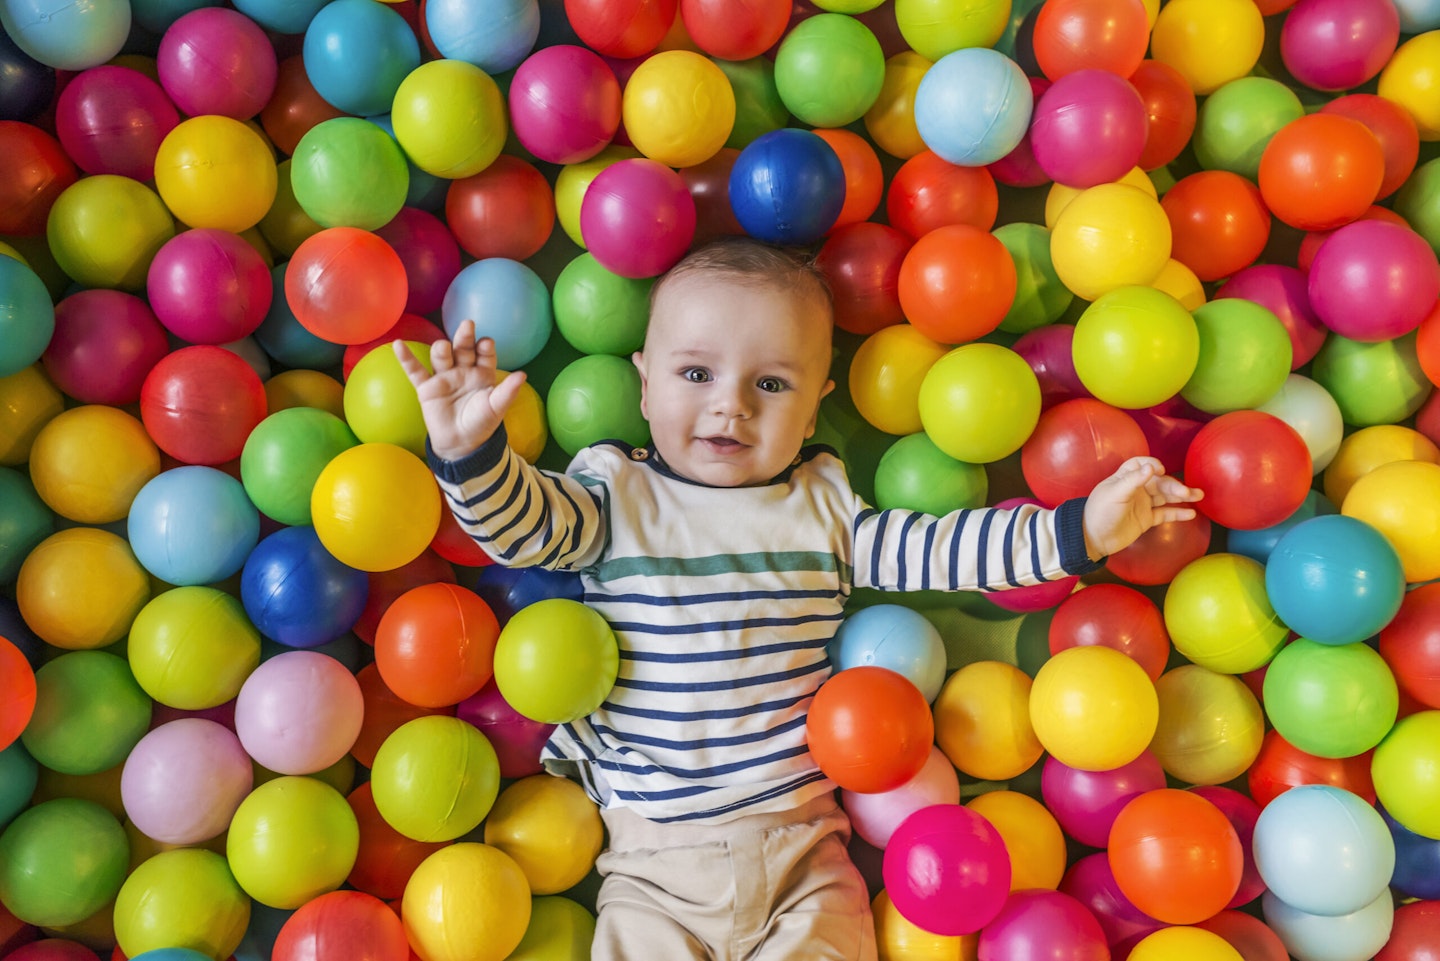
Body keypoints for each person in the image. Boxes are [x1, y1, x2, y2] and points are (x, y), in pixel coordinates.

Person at [395, 237, 1202, 961]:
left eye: (772, 383)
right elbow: (524, 530)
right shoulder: (616, 493)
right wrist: (470, 450)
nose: (730, 403)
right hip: (650, 868)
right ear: (644, 386)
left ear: (814, 404)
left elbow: (944, 549)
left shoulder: (822, 510)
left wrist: (1080, 531)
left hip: (804, 857)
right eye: (695, 373)